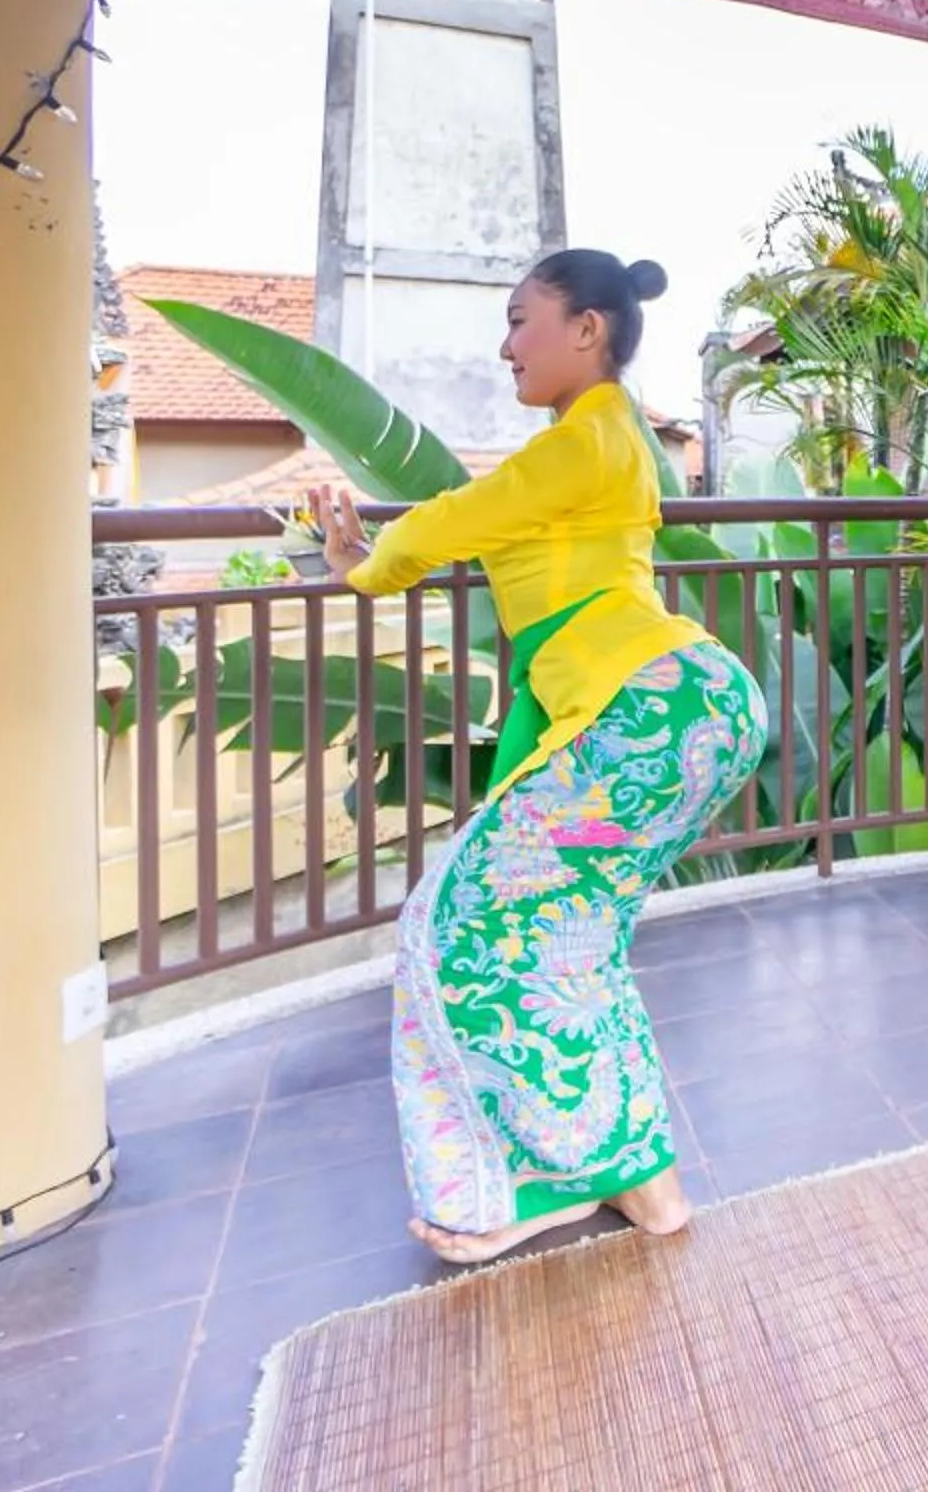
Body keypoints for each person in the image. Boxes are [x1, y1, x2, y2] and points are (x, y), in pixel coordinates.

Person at [308, 250, 768, 1265]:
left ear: (588, 330)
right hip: (681, 715)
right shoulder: (609, 440)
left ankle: (531, 1181)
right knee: (566, 929)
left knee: (458, 924)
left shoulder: (590, 432)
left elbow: (467, 513)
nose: (506, 343)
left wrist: (365, 566)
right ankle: (643, 1183)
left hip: (645, 715)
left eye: (522, 320)